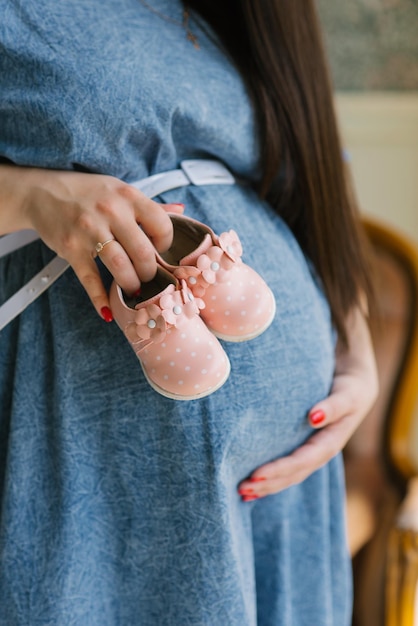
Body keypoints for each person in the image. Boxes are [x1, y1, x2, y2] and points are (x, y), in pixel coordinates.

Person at [0, 1, 379, 624]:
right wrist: (30, 195)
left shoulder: (241, 14)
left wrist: (355, 351)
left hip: (283, 495)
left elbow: (314, 182)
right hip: (103, 461)